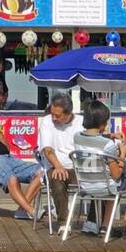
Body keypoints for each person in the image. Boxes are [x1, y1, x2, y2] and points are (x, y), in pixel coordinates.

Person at [72, 100, 126, 236]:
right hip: (106, 187)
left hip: (85, 186)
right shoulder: (108, 145)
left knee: (108, 180)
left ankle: (105, 227)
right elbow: (116, 174)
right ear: (102, 123)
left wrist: (110, 135)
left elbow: (92, 138)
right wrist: (122, 154)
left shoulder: (77, 137)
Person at [37, 92, 80, 225]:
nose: (54, 118)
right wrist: (58, 166)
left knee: (100, 179)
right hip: (54, 166)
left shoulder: (82, 122)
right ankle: (63, 223)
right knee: (58, 178)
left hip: (77, 168)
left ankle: (94, 223)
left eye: (58, 115)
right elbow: (47, 149)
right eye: (52, 114)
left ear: (69, 113)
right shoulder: (47, 121)